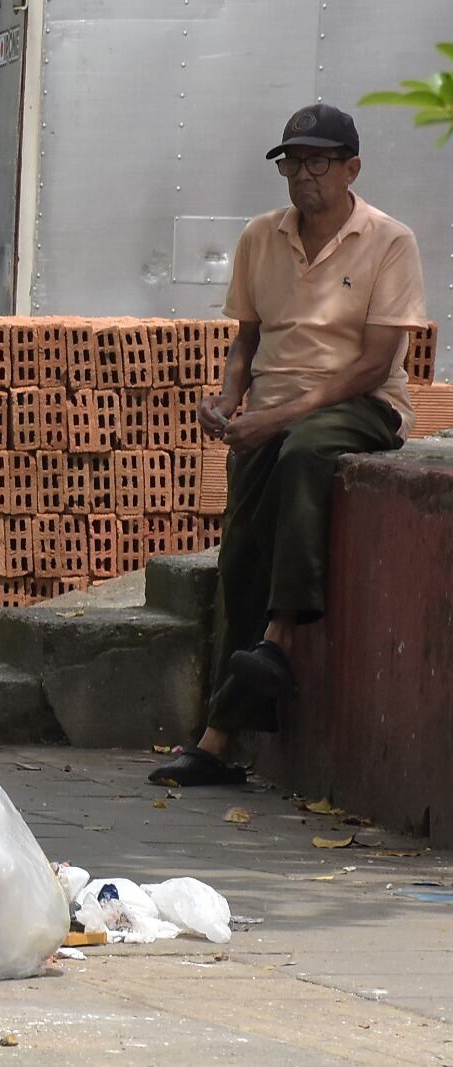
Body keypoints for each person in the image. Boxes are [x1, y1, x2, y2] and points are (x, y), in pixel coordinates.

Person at [151, 104, 426, 787]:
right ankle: (217, 743)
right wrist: (228, 399)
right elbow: (246, 340)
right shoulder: (260, 237)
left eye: (318, 162)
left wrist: (275, 420)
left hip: (361, 407)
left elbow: (375, 364)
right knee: (240, 555)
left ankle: (279, 636)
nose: (303, 175)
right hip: (272, 414)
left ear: (351, 168)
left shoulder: (390, 240)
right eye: (292, 162)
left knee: (304, 449)